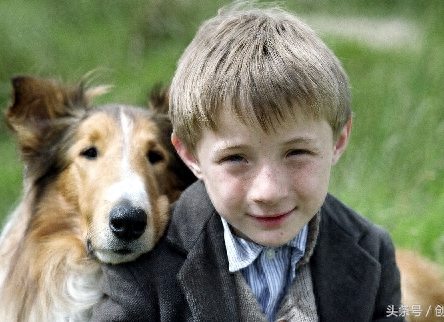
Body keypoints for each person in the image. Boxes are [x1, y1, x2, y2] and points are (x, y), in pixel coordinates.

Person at [91, 3, 403, 321]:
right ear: (189, 155)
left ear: (338, 141)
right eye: (236, 158)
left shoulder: (371, 249)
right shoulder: (146, 265)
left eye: (297, 153)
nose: (268, 192)